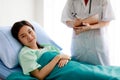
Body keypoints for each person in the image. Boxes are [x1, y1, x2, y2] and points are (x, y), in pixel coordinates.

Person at [9, 20, 120, 80]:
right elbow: (39, 76)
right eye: (23, 36)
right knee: (102, 77)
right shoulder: (26, 53)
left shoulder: (47, 46)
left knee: (100, 70)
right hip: (64, 72)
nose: (29, 36)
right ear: (19, 40)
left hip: (72, 66)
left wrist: (64, 58)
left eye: (30, 31)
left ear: (34, 30)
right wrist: (58, 58)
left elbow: (66, 56)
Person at [61, 0, 115, 65]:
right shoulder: (72, 1)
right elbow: (66, 20)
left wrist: (90, 27)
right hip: (79, 43)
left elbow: (107, 21)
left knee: (101, 71)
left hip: (97, 43)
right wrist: (74, 23)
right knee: (80, 71)